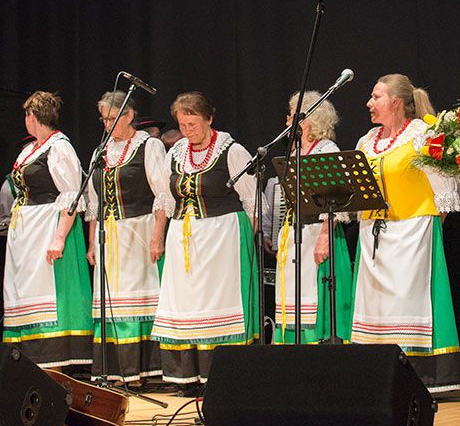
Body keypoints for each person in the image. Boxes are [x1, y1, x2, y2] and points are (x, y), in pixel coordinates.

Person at [350, 74, 460, 393]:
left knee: (410, 302)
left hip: (413, 234)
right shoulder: (366, 141)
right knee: (376, 306)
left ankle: (423, 373)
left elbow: (446, 191)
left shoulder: (421, 134)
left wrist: (427, 232)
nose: (369, 104)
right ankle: (377, 372)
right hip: (375, 235)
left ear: (396, 103)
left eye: (376, 97)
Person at [151, 91, 259, 386]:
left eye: (193, 124)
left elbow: (252, 201)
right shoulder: (176, 153)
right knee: (186, 305)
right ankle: (188, 377)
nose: (187, 131)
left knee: (219, 303)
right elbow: (164, 198)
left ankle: (222, 377)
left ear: (209, 118)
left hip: (222, 238)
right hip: (183, 237)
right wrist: (157, 236)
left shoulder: (231, 151)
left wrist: (248, 244)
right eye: (183, 125)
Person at [2, 91, 93, 369]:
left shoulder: (59, 147)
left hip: (46, 223)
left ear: (33, 117)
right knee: (24, 291)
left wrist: (59, 238)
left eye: (27, 115)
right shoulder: (31, 149)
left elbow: (71, 196)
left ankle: (54, 356)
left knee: (50, 291)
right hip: (26, 229)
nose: (25, 121)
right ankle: (27, 355)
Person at [85, 91, 169, 383]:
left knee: (136, 299)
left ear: (129, 115)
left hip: (139, 230)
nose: (107, 125)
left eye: (112, 118)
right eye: (103, 119)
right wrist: (92, 240)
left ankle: (141, 370)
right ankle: (113, 370)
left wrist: (158, 236)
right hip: (109, 235)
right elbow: (94, 202)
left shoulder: (149, 146)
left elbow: (162, 196)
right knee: (111, 300)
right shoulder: (101, 152)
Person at [264, 91, 353, 343]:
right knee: (292, 298)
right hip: (294, 234)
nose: (287, 121)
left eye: (292, 115)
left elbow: (339, 201)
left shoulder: (326, 150)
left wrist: (325, 237)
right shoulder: (296, 152)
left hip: (317, 232)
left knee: (314, 295)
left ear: (308, 119)